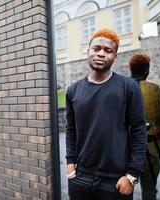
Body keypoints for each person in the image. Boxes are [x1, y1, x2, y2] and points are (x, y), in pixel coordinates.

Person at [65, 28, 147, 200]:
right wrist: (70, 165)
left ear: (114, 57)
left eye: (108, 50)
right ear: (88, 51)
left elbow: (139, 130)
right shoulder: (73, 90)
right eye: (96, 48)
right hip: (81, 177)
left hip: (116, 180)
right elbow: (71, 130)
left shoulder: (129, 87)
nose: (101, 54)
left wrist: (132, 176)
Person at [129, 54, 160, 200]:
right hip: (150, 148)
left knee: (125, 187)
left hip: (126, 149)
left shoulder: (123, 87)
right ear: (146, 70)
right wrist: (159, 144)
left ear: (131, 70)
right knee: (149, 189)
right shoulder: (154, 89)